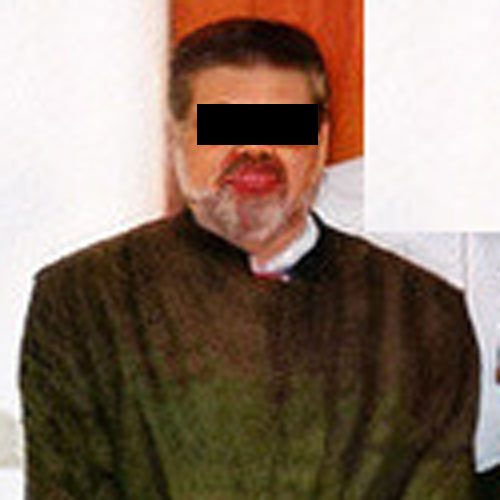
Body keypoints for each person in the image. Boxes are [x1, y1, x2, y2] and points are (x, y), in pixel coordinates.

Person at [20, 18, 495, 499]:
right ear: (175, 139)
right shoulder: (84, 301)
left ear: (321, 141)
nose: (254, 149)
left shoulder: (423, 313)